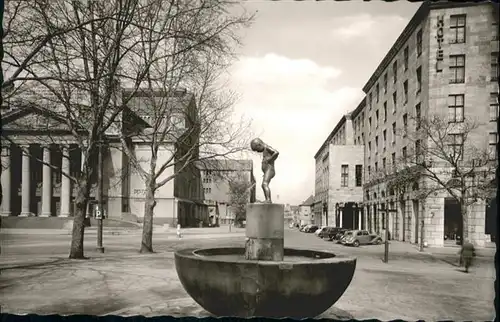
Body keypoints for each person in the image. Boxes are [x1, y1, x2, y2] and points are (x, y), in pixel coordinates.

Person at [250, 138, 279, 203]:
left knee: (264, 184)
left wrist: (270, 159)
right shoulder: (264, 150)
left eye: (257, 150)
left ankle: (268, 200)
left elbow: (276, 152)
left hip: (270, 170)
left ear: (259, 145)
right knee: (263, 185)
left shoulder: (267, 147)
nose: (257, 152)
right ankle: (267, 199)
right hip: (267, 171)